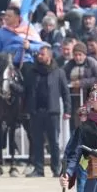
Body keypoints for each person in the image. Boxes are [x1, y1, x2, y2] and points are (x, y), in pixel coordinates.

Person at [22, 46, 71, 178]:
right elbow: (26, 91)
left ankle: (56, 168)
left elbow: (65, 93)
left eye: (42, 54)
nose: (39, 56)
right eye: (38, 54)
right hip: (36, 112)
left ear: (49, 56)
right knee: (37, 141)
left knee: (53, 141)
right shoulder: (32, 72)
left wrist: (68, 110)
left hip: (52, 112)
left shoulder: (58, 72)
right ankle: (39, 169)